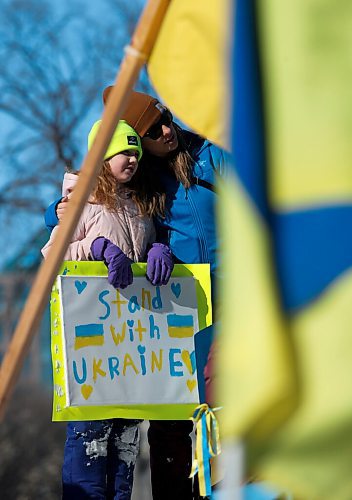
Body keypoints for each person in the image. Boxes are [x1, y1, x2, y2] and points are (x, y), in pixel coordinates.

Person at [45, 89, 228, 500]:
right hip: (121, 338)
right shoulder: (121, 190)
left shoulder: (196, 162)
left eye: (166, 118)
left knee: (200, 416)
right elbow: (65, 235)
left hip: (210, 299)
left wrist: (158, 250)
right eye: (150, 130)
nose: (166, 130)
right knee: (137, 430)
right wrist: (70, 222)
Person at [42, 119, 173, 500]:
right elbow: (52, 257)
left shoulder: (140, 205)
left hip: (131, 352)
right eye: (123, 151)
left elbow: (142, 261)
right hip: (92, 351)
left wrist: (158, 251)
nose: (132, 159)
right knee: (90, 446)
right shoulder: (82, 203)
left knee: (125, 450)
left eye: (135, 151)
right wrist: (95, 250)